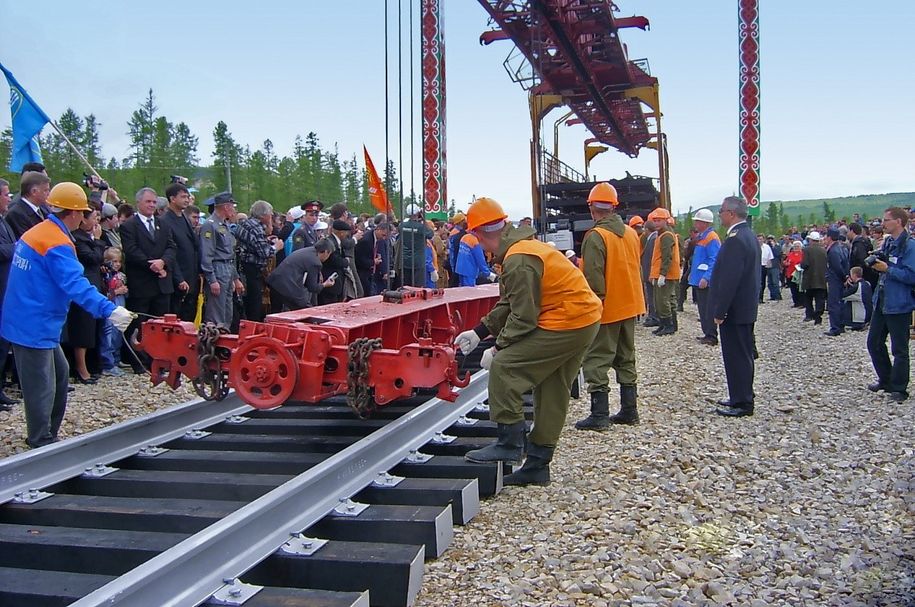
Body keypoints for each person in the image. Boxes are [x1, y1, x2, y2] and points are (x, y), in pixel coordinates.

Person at [453, 197, 601, 486]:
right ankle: (538, 464)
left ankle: (510, 444)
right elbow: (509, 303)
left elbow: (523, 317)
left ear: (480, 232)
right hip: (584, 318)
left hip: (567, 320)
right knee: (552, 386)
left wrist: (497, 349)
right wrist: (479, 332)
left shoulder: (518, 259)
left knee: (506, 368)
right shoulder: (523, 249)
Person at [0, 183, 133, 448]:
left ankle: (48, 433)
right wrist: (110, 309)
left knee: (59, 378)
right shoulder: (56, 242)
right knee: (42, 388)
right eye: (83, 212)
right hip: (34, 323)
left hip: (32, 319)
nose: (84, 217)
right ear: (73, 213)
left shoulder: (39, 232)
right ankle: (41, 440)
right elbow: (76, 285)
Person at [575, 183, 646, 430]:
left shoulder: (596, 236)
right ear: (614, 206)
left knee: (596, 359)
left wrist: (591, 309)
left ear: (592, 208)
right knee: (626, 357)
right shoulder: (630, 233)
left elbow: (593, 277)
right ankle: (629, 410)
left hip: (607, 308)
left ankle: (599, 415)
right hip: (631, 304)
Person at [709, 196, 760, 418]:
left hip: (736, 310)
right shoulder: (747, 236)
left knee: (737, 355)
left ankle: (743, 401)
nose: (720, 215)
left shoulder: (736, 240)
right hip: (745, 308)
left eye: (721, 211)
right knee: (743, 353)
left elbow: (729, 279)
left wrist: (720, 311)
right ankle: (741, 394)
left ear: (731, 213)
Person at [119, 187, 177, 372]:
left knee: (161, 325)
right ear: (139, 203)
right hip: (142, 282)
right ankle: (139, 361)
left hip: (161, 282)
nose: (152, 205)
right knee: (140, 324)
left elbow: (171, 247)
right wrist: (151, 264)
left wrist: (163, 262)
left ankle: (159, 360)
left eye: (154, 202)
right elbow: (131, 250)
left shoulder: (163, 224)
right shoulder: (129, 226)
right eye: (148, 202)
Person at [866, 207, 915, 402]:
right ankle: (886, 379)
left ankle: (899, 388)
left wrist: (888, 269)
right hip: (883, 300)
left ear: (899, 222)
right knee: (874, 343)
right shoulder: (888, 243)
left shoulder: (910, 247)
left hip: (899, 303)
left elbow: (911, 276)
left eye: (887, 220)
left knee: (899, 348)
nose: (883, 224)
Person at [67, 204, 107, 384]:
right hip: (84, 285)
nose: (96, 221)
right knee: (83, 330)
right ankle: (81, 369)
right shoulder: (77, 238)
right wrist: (97, 241)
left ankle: (93, 364)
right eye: (93, 217)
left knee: (93, 329)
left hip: (95, 284)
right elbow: (93, 258)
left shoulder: (88, 237)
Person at [200, 192, 245, 327]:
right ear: (226, 207)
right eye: (233, 206)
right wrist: (212, 279)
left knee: (227, 312)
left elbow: (230, 254)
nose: (234, 210)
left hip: (228, 268)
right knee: (216, 313)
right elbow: (206, 254)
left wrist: (235, 279)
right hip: (217, 269)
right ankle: (213, 341)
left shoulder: (224, 225)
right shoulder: (210, 225)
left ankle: (225, 336)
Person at [235, 200, 283, 322]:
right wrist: (276, 247)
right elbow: (265, 253)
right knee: (254, 304)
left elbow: (254, 246)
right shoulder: (256, 228)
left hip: (244, 268)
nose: (271, 216)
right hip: (251, 270)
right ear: (263, 215)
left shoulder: (246, 224)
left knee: (249, 303)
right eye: (270, 214)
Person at [159, 182, 200, 322]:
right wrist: (179, 278)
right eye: (183, 197)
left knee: (190, 315)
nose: (187, 200)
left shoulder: (184, 218)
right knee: (177, 316)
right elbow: (170, 251)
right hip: (177, 277)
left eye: (188, 197)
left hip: (192, 275)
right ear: (172, 198)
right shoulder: (164, 221)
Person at [266, 239, 336, 310]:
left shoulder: (309, 251)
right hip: (286, 287)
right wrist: (325, 284)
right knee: (305, 307)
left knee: (275, 312)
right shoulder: (315, 262)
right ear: (326, 252)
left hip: (275, 281)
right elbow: (313, 287)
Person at [688, 209, 721, 345]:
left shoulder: (711, 238)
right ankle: (707, 333)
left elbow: (714, 259)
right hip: (699, 278)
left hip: (705, 280)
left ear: (704, 223)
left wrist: (706, 278)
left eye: (697, 221)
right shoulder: (703, 236)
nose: (695, 223)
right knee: (703, 308)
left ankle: (711, 336)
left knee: (708, 308)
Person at [647, 207, 680, 336]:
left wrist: (662, 274)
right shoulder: (665, 234)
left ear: (665, 221)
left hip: (666, 274)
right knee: (667, 299)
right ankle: (668, 324)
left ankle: (668, 325)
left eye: (658, 220)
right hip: (667, 273)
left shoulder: (666, 235)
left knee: (662, 300)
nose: (656, 223)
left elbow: (667, 256)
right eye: (654, 220)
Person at [0, 179, 17, 409]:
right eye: (6, 194)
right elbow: (4, 250)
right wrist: (18, 247)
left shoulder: (4, 221)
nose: (9, 198)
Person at [100, 247, 128, 376]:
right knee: (108, 334)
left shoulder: (120, 275)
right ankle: (107, 363)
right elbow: (103, 293)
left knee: (118, 333)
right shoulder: (104, 276)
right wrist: (116, 291)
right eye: (114, 261)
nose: (117, 264)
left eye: (119, 262)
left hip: (120, 304)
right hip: (110, 306)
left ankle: (116, 359)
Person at [395, 204, 433, 287]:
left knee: (406, 287)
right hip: (418, 262)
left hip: (405, 260)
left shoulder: (401, 225)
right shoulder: (421, 227)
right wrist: (423, 219)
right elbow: (431, 234)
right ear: (418, 213)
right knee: (418, 287)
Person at [6, 171, 50, 239]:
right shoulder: (16, 214)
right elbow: (29, 241)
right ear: (34, 191)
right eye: (45, 190)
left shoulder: (43, 210)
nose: (48, 193)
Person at [823, 227, 851, 336]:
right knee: (841, 302)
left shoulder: (833, 250)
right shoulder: (842, 247)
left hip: (835, 279)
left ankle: (835, 328)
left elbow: (836, 266)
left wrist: (843, 277)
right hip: (841, 278)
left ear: (829, 237)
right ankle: (841, 325)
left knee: (833, 303)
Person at [318, 220, 352, 305]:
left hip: (336, 281)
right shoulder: (331, 242)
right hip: (330, 280)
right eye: (345, 232)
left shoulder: (336, 242)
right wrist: (346, 261)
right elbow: (335, 260)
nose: (346, 235)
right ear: (341, 233)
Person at [354, 222, 390, 296]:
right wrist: (373, 262)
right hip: (362, 273)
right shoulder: (366, 240)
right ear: (378, 229)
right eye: (383, 235)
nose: (383, 238)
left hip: (371, 273)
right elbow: (359, 259)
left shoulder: (376, 239)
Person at [801, 231, 827, 325]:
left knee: (808, 298)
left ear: (811, 240)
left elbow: (805, 264)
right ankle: (818, 316)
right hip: (821, 278)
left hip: (809, 278)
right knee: (820, 299)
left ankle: (809, 315)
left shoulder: (806, 249)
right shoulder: (824, 250)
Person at [640, 216, 660, 326]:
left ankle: (654, 317)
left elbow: (653, 257)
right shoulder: (653, 238)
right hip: (649, 272)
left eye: (644, 229)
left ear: (647, 229)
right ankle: (653, 316)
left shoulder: (653, 239)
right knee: (652, 295)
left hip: (650, 273)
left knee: (652, 296)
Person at [842, 266, 873, 331]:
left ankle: (850, 323)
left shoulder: (856, 286)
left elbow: (842, 296)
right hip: (868, 315)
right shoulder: (867, 283)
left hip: (859, 318)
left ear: (854, 275)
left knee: (846, 302)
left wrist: (846, 285)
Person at [448, 213, 468, 287]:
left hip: (453, 261)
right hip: (456, 262)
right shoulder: (458, 233)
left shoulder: (453, 231)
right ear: (461, 221)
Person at [784, 240, 805, 307]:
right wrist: (786, 263)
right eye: (795, 246)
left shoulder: (803, 254)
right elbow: (786, 262)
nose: (796, 247)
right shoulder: (790, 254)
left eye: (798, 246)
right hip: (791, 273)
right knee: (793, 289)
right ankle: (796, 302)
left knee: (800, 289)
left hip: (799, 273)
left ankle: (802, 302)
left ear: (801, 247)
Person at [758, 235, 774, 303]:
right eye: (758, 239)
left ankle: (761, 298)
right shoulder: (754, 246)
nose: (759, 240)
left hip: (764, 266)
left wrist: (769, 266)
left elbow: (770, 257)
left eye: (761, 239)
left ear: (763, 240)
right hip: (756, 266)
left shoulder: (767, 247)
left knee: (763, 282)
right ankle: (756, 298)